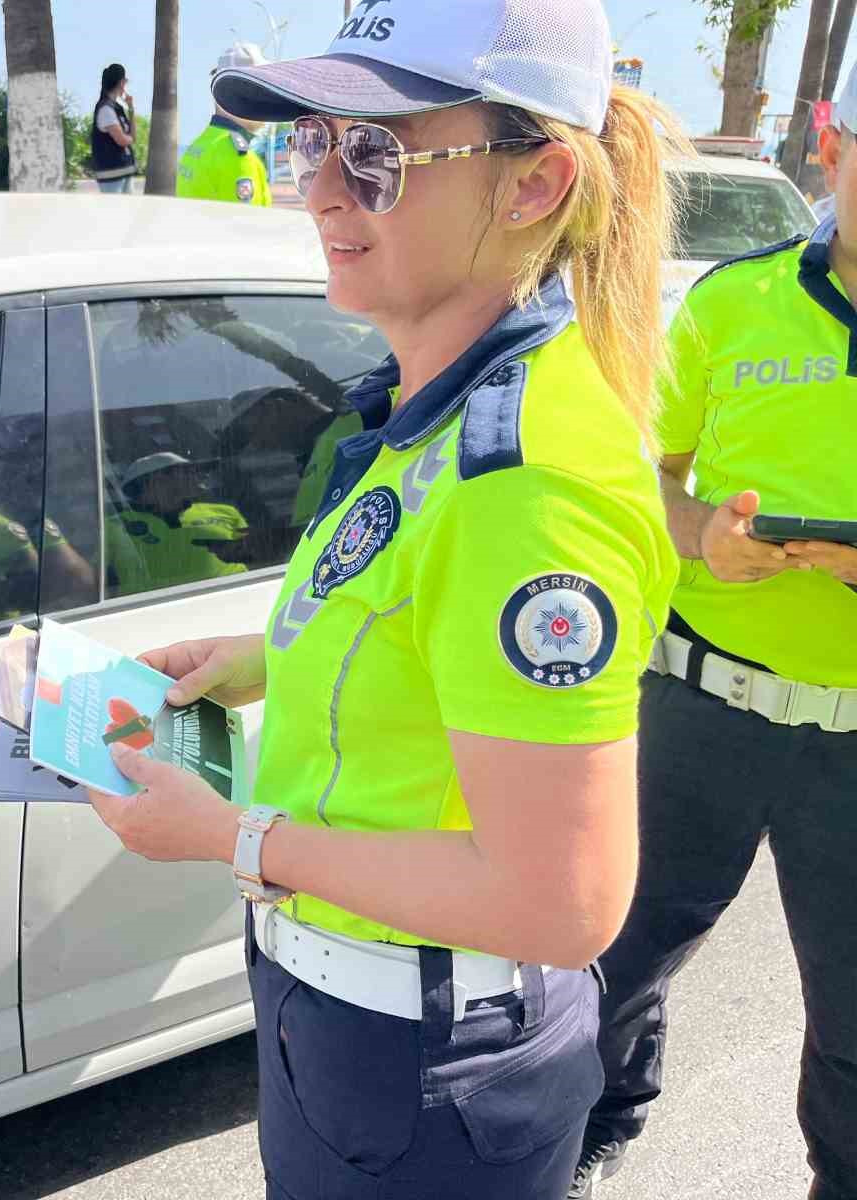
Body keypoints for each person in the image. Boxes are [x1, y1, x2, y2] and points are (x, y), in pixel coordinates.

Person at [83, 2, 687, 1197]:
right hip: (363, 1021)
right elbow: (420, 619)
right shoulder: (446, 402)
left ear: (532, 185)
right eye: (311, 145)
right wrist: (262, 657)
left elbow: (560, 903)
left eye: (375, 155)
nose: (317, 191)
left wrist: (227, 835)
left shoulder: (525, 481)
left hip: (423, 1061)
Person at [573, 69, 857, 1200]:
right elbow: (647, 475)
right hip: (698, 709)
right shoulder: (731, 303)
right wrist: (701, 537)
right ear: (833, 144)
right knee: (611, 958)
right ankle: (595, 1130)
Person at [104, 452, 248, 594]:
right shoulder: (114, 525)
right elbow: (95, 579)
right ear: (157, 480)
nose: (204, 475)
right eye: (188, 471)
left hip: (241, 596)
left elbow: (255, 552)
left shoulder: (227, 511)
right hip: (156, 609)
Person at [176, 43, 271, 207]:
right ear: (240, 91)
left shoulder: (199, 146)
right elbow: (250, 228)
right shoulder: (239, 159)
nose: (270, 97)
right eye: (263, 88)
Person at [91, 64, 137, 195]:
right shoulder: (105, 109)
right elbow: (122, 140)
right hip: (111, 175)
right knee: (114, 213)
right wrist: (130, 138)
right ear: (121, 83)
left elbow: (132, 136)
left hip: (124, 172)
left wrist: (131, 109)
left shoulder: (117, 108)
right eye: (125, 82)